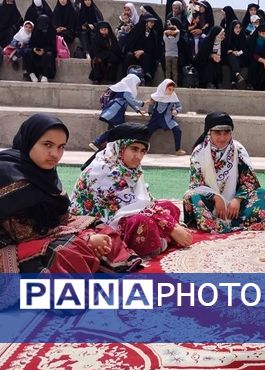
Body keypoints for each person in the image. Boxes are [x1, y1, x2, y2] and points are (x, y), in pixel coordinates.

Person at [0, 114, 142, 287]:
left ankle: (102, 268)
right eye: (47, 145)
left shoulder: (41, 171)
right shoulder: (7, 173)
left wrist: (87, 232)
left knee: (97, 226)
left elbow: (60, 216)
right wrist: (86, 239)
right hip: (10, 245)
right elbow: (24, 234)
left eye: (61, 147)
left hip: (43, 232)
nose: (55, 154)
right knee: (64, 251)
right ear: (29, 141)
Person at [70, 123, 192, 258]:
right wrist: (171, 227)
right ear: (119, 147)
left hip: (121, 214)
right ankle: (158, 243)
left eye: (142, 151)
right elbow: (132, 207)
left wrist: (168, 224)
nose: (138, 156)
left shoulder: (126, 167)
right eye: (134, 149)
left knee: (168, 206)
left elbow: (145, 202)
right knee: (142, 222)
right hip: (100, 225)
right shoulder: (104, 170)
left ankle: (161, 240)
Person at [183, 112, 265, 234]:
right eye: (218, 133)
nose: (223, 137)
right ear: (209, 132)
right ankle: (215, 224)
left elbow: (249, 180)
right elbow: (196, 184)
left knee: (261, 194)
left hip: (235, 206)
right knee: (191, 196)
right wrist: (216, 197)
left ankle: (227, 224)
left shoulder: (238, 150)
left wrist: (237, 199)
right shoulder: (199, 152)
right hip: (210, 203)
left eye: (227, 133)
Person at [91, 73, 147, 149]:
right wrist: (145, 103)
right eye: (136, 84)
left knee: (113, 130)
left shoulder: (120, 88)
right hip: (115, 113)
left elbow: (130, 102)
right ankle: (97, 142)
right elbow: (133, 101)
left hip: (113, 112)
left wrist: (138, 110)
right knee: (116, 130)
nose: (137, 87)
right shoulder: (126, 91)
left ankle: (108, 146)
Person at [146, 79, 185, 155]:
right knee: (147, 132)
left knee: (177, 130)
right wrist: (150, 112)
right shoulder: (156, 96)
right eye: (169, 89)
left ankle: (178, 149)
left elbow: (179, 106)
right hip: (156, 118)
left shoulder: (173, 96)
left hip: (168, 118)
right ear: (164, 88)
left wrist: (176, 111)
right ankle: (144, 148)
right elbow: (151, 104)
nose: (171, 91)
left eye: (173, 90)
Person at [123, 16, 162, 85]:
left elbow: (154, 48)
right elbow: (130, 43)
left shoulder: (153, 33)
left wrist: (143, 51)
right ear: (146, 23)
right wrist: (135, 52)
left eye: (153, 22)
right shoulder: (137, 30)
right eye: (151, 22)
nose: (152, 24)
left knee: (145, 57)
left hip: (146, 54)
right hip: (133, 52)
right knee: (129, 56)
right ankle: (127, 76)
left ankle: (147, 77)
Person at [23, 14, 56, 83]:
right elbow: (31, 43)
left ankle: (45, 75)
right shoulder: (36, 30)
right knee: (27, 52)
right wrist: (34, 49)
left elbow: (52, 46)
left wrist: (44, 50)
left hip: (46, 52)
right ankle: (32, 74)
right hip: (36, 51)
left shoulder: (51, 30)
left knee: (49, 55)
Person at [247, 24, 265, 91]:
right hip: (254, 58)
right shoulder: (252, 40)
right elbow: (252, 53)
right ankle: (250, 84)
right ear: (259, 32)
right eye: (263, 33)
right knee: (253, 64)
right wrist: (263, 60)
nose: (264, 36)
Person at [163, 18, 180, 84]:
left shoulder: (165, 39)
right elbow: (178, 31)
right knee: (174, 70)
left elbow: (164, 32)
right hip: (175, 55)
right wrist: (175, 30)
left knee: (168, 70)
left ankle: (167, 83)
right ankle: (175, 83)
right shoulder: (175, 40)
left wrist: (167, 31)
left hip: (167, 55)